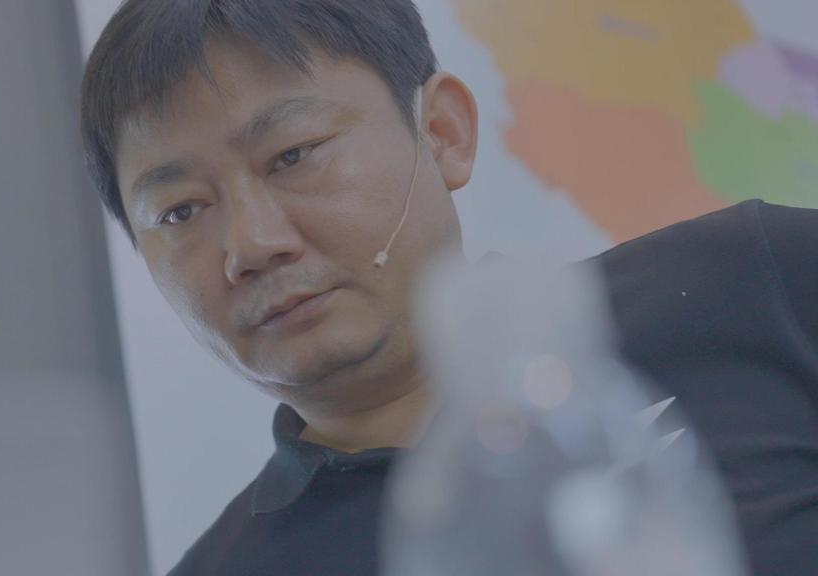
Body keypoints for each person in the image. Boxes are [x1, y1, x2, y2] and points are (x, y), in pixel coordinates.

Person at [80, 1, 818, 574]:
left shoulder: (752, 280)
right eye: (180, 211)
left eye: (293, 155)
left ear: (442, 131)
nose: (250, 245)